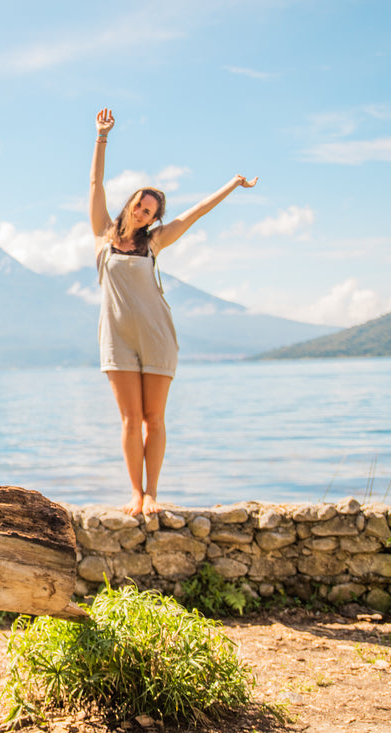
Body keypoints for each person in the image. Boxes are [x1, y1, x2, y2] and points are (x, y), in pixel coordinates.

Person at [89, 108, 257, 516]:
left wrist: (232, 184)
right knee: (130, 421)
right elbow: (95, 183)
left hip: (157, 337)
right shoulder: (102, 234)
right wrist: (101, 137)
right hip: (117, 340)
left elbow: (196, 212)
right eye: (139, 207)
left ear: (154, 219)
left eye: (150, 212)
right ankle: (135, 493)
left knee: (154, 419)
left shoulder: (156, 242)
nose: (142, 214)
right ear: (130, 205)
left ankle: (152, 495)